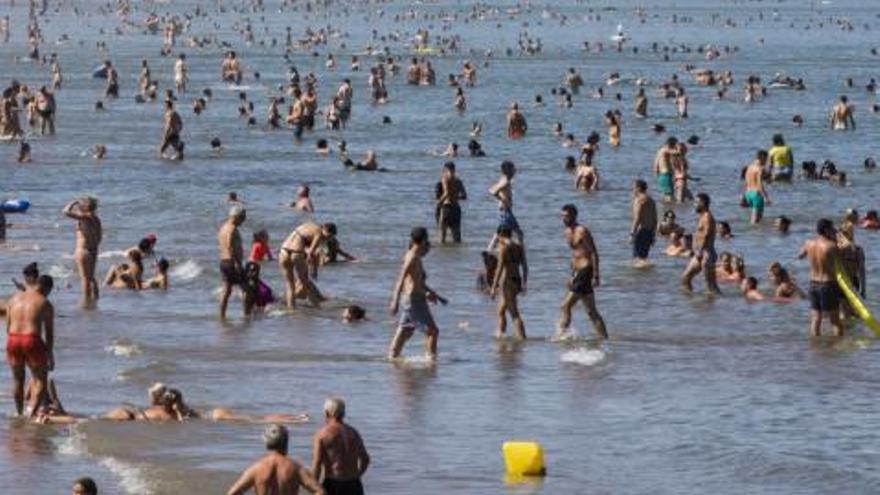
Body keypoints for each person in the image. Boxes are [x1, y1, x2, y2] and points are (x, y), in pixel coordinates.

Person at [388, 227, 446, 360]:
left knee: (406, 331)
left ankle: (393, 357)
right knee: (433, 332)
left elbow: (418, 282)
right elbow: (401, 278)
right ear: (422, 240)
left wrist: (434, 295)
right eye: (427, 241)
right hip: (413, 300)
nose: (428, 244)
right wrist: (394, 301)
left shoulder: (415, 257)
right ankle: (431, 362)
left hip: (415, 299)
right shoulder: (412, 257)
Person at [6, 274, 54, 417]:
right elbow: (49, 333)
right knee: (40, 381)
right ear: (45, 288)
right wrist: (49, 353)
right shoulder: (44, 302)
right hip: (32, 339)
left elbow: (8, 327)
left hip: (13, 339)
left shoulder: (13, 299)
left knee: (17, 379)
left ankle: (19, 413)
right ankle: (31, 414)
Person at [228, 424, 324, 495]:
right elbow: (320, 492)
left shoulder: (256, 468)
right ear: (286, 442)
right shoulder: (295, 468)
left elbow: (232, 493)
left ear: (266, 443)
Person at [558, 204, 608, 339]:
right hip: (577, 272)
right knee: (591, 311)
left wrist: (596, 275)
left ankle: (562, 335)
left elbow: (594, 253)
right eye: (562, 216)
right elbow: (575, 254)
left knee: (565, 305)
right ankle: (604, 338)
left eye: (566, 216)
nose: (563, 219)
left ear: (574, 215)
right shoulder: (567, 232)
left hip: (586, 271)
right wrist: (571, 275)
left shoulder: (582, 231)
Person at [311, 398, 369, 495]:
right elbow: (365, 459)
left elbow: (317, 464)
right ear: (343, 414)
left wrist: (314, 488)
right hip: (354, 484)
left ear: (327, 413)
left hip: (333, 484)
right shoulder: (354, 433)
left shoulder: (322, 435)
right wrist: (357, 476)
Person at [798, 219, 844, 337]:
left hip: (813, 284)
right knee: (835, 320)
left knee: (816, 318)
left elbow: (800, 256)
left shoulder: (809, 243)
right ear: (826, 230)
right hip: (828, 284)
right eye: (832, 228)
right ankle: (839, 347)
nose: (834, 230)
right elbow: (841, 263)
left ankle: (815, 346)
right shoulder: (831, 246)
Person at [279, 222, 334, 308]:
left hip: (283, 251)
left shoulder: (308, 225)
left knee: (289, 284)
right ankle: (317, 307)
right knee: (305, 283)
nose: (326, 239)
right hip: (296, 253)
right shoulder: (319, 233)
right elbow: (312, 253)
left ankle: (291, 310)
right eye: (328, 237)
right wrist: (314, 270)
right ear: (328, 232)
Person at [489, 226, 528, 339]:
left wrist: (493, 287)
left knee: (514, 313)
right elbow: (525, 267)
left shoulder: (504, 249)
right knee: (501, 310)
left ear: (501, 235)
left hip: (507, 282)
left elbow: (500, 268)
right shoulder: (519, 247)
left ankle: (522, 338)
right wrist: (525, 283)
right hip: (517, 281)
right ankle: (501, 335)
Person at [63, 198, 102, 305]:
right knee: (91, 277)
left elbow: (65, 211)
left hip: (83, 250)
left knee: (85, 279)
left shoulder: (84, 217)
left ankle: (87, 302)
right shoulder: (96, 219)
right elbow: (99, 237)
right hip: (93, 250)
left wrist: (73, 202)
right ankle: (96, 300)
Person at [681, 193, 722, 294]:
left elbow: (706, 234)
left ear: (702, 203)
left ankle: (715, 302)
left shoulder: (707, 217)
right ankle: (690, 299)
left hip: (706, 254)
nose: (694, 205)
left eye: (696, 202)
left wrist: (700, 250)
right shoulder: (702, 216)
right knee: (685, 277)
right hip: (700, 253)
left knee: (710, 285)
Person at [218, 206, 252, 319]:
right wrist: (237, 263)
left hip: (224, 261)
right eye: (242, 218)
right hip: (232, 262)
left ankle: (221, 315)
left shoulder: (223, 227)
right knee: (246, 289)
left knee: (226, 291)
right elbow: (229, 246)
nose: (244, 220)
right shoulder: (231, 228)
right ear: (236, 216)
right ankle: (246, 315)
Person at [488, 160, 523, 248]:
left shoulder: (504, 180)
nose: (515, 171)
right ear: (508, 170)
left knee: (501, 234)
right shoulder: (505, 182)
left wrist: (502, 199)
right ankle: (520, 255)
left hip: (506, 211)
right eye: (513, 169)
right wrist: (503, 200)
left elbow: (491, 189)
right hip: (506, 211)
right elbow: (493, 191)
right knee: (517, 234)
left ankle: (491, 251)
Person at [435, 161, 467, 244]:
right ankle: (457, 255)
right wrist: (455, 197)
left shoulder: (445, 178)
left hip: (447, 207)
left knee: (442, 235)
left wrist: (439, 202)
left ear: (445, 169)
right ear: (454, 169)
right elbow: (464, 196)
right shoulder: (458, 181)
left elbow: (446, 193)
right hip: (456, 208)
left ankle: (443, 255)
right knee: (457, 235)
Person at [630, 179, 658, 266]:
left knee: (637, 259)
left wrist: (632, 233)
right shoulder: (651, 200)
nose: (632, 190)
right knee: (643, 258)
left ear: (638, 188)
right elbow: (655, 219)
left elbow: (637, 218)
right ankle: (645, 278)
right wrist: (653, 235)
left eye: (633, 188)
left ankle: (638, 278)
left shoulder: (638, 200)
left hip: (640, 231)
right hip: (649, 231)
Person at [742, 150, 771, 223]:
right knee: (756, 220)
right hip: (756, 195)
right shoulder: (760, 169)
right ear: (762, 158)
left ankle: (753, 234)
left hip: (748, 194)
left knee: (754, 218)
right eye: (766, 159)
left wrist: (744, 197)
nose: (766, 162)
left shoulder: (749, 167)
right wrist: (765, 197)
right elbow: (759, 184)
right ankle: (754, 234)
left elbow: (746, 183)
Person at [653, 137, 677, 202]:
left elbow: (655, 165)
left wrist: (657, 176)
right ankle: (670, 209)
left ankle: (665, 209)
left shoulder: (659, 151)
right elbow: (676, 153)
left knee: (666, 195)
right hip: (666, 175)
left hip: (661, 175)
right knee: (670, 196)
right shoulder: (665, 149)